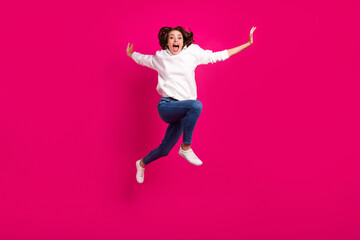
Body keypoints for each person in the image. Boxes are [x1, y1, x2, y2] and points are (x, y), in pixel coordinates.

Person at [127, 26, 256, 183]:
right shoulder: (160, 58)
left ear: (183, 41)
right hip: (167, 106)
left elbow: (219, 56)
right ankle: (186, 147)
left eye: (179, 38)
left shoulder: (192, 53)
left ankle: (141, 163)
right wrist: (131, 54)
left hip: (184, 111)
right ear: (166, 42)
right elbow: (142, 59)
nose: (176, 40)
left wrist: (247, 44)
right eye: (172, 37)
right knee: (196, 105)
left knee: (165, 150)